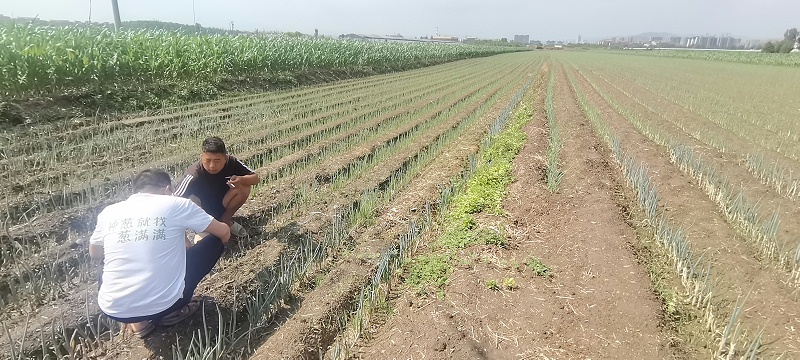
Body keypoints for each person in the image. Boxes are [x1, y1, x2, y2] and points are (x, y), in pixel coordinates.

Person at [88, 169, 231, 338]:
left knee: (107, 259)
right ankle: (173, 310)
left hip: (114, 310)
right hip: (167, 304)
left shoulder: (109, 212)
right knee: (214, 241)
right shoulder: (177, 204)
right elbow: (223, 233)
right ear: (167, 189)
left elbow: (95, 252)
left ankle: (138, 324)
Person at [174, 136, 259, 238]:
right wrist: (183, 238)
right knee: (190, 200)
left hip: (222, 202)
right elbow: (174, 201)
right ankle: (203, 228)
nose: (212, 166)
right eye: (208, 160)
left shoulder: (231, 162)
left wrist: (241, 180)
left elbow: (255, 178)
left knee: (244, 186)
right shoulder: (194, 173)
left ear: (225, 157)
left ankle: (225, 220)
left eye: (217, 160)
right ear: (202, 157)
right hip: (202, 210)